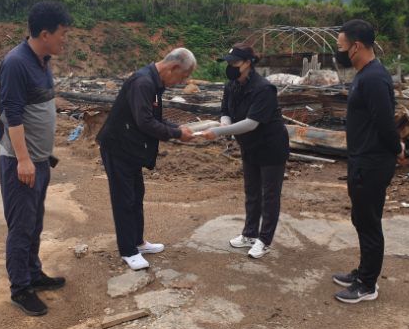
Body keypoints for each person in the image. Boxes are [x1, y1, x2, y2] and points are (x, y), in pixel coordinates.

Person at [0, 1, 71, 316]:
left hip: (40, 160)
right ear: (44, 33)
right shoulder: (16, 63)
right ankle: (20, 288)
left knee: (35, 222)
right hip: (20, 162)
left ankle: (33, 273)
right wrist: (24, 160)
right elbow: (11, 114)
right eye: (63, 34)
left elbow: (35, 106)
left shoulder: (43, 60)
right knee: (22, 226)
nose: (65, 40)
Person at [331, 19, 409, 304]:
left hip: (373, 162)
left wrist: (398, 150)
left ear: (356, 46)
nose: (338, 52)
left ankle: (368, 285)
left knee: (369, 222)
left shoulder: (375, 77)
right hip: (361, 160)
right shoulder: (363, 75)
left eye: (340, 47)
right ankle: (362, 272)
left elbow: (385, 123)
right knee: (360, 218)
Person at [96, 49, 197, 270]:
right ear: (173, 68)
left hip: (131, 148)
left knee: (135, 196)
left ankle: (138, 242)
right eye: (181, 78)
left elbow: (153, 118)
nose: (179, 83)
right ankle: (128, 251)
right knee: (124, 199)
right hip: (118, 147)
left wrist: (177, 127)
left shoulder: (153, 82)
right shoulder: (143, 83)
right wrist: (178, 134)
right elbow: (145, 123)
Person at [203, 44, 290, 259]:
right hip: (249, 146)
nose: (230, 67)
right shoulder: (232, 85)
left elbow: (252, 123)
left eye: (234, 63)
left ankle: (265, 240)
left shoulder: (263, 88)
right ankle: (249, 234)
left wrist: (218, 133)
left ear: (247, 63)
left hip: (271, 147)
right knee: (252, 192)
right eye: (228, 63)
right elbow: (225, 111)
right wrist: (224, 125)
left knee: (269, 195)